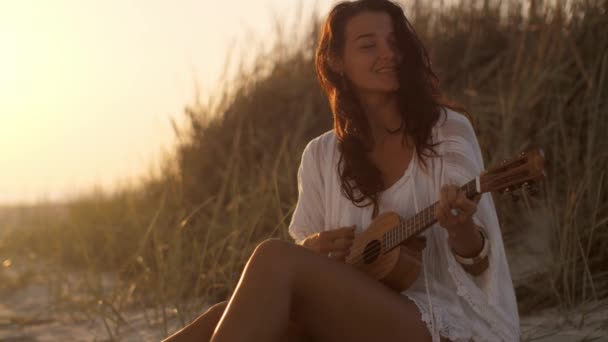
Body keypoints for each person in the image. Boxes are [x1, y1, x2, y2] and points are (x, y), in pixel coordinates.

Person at [163, 0, 520, 341]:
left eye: (394, 42)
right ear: (337, 61)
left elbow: (480, 266)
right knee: (222, 315)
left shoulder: (447, 132)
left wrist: (460, 231)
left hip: (445, 324)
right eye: (368, 45)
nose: (387, 54)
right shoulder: (320, 156)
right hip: (354, 325)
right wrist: (311, 248)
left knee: (272, 257)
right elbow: (305, 264)